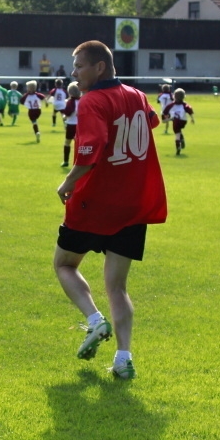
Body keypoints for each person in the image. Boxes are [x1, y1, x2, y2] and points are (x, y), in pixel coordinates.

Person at [54, 41, 167, 381]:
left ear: (99, 67)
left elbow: (89, 152)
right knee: (117, 286)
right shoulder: (136, 94)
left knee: (63, 264)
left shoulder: (91, 101)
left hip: (96, 202)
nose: (74, 72)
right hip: (134, 203)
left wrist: (67, 183)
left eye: (79, 66)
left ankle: (93, 320)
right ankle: (123, 358)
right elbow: (152, 122)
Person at [166, 88, 195, 156]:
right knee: (179, 131)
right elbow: (189, 109)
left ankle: (178, 146)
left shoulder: (171, 105)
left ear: (174, 96)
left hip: (176, 121)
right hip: (183, 121)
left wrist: (166, 118)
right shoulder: (184, 104)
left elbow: (165, 111)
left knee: (177, 134)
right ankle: (182, 140)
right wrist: (192, 118)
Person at [60, 81, 81, 168]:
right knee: (79, 144)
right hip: (80, 125)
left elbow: (68, 112)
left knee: (67, 142)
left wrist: (63, 114)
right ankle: (78, 162)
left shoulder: (71, 102)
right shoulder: (83, 100)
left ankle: (66, 161)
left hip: (71, 124)